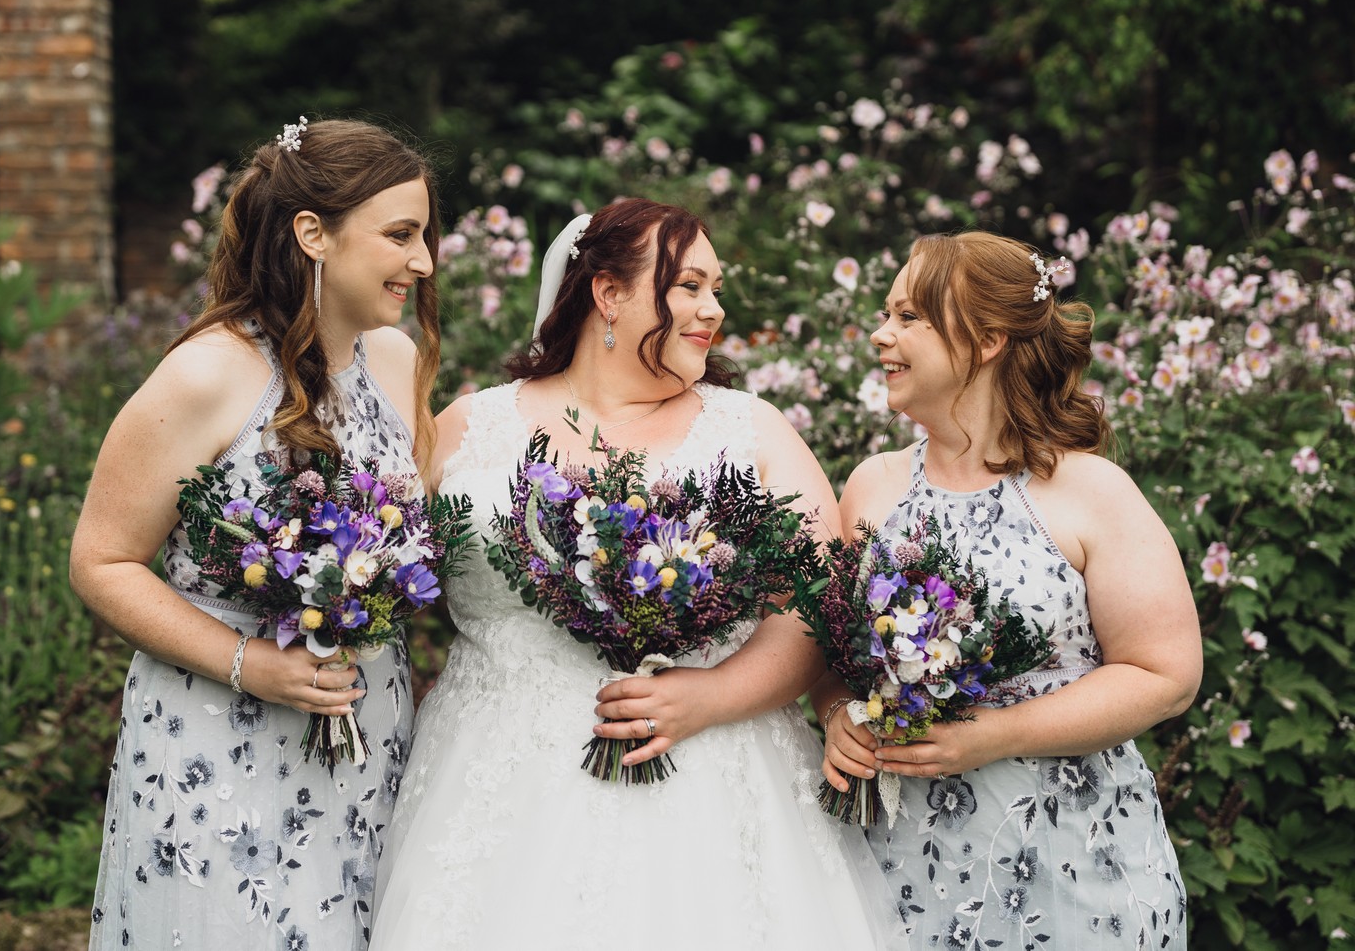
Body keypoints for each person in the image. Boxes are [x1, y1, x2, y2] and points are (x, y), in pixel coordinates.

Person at [370, 198, 902, 950]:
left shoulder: (750, 430)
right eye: (689, 286)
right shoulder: (468, 425)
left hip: (705, 778)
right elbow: (385, 566)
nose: (713, 309)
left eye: (716, 289)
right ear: (609, 292)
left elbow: (816, 606)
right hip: (492, 788)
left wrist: (711, 695)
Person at [70, 118, 442, 951]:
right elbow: (101, 560)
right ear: (313, 233)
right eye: (400, 235)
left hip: (364, 730)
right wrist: (252, 663)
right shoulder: (207, 373)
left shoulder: (395, 359)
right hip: (220, 735)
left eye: (424, 236)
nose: (423, 261)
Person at [816, 230, 1200, 948]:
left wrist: (999, 734)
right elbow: (832, 654)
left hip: (1072, 866)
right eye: (885, 315)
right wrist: (838, 712)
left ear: (988, 339)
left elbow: (1166, 675)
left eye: (908, 317)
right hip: (900, 871)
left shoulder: (1090, 490)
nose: (880, 334)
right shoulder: (872, 486)